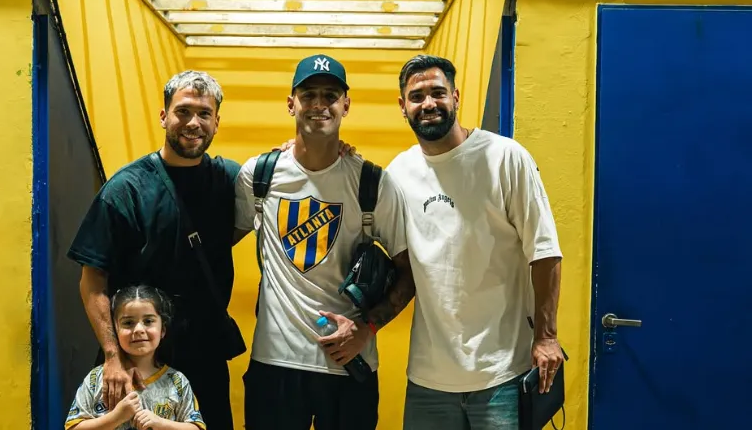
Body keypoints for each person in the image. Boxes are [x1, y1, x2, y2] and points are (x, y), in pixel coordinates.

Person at [233, 54, 416, 430]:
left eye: (330, 96)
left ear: (346, 105)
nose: (319, 104)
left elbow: (409, 272)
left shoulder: (372, 183)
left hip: (348, 366)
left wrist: (366, 328)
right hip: (275, 365)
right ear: (291, 104)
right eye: (309, 95)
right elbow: (216, 245)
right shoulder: (259, 176)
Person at [386, 54, 564, 430]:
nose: (428, 103)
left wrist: (547, 337)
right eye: (417, 96)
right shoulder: (398, 174)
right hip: (429, 380)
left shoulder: (505, 157)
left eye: (438, 92)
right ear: (402, 106)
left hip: (503, 374)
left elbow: (545, 251)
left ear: (456, 97)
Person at [67, 71, 239, 430]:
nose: (193, 123)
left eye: (204, 114)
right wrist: (113, 356)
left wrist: (296, 150)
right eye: (183, 111)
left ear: (217, 122)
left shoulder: (230, 180)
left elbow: (287, 176)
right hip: (138, 357)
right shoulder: (127, 189)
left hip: (205, 354)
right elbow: (92, 280)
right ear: (164, 116)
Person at [65, 285, 206, 430]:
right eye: (128, 323)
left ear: (162, 330)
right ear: (115, 330)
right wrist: (116, 418)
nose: (138, 329)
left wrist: (160, 423)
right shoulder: (97, 379)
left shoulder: (176, 381)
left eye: (148, 321)